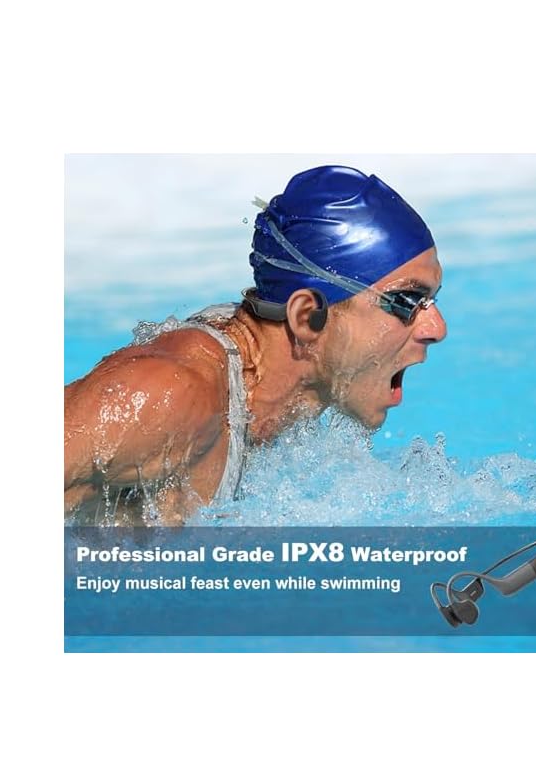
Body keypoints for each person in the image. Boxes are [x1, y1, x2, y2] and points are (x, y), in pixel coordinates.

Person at [64, 165, 447, 524]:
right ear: (307, 317)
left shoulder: (276, 403)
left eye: (432, 301)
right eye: (406, 301)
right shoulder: (168, 395)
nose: (437, 328)